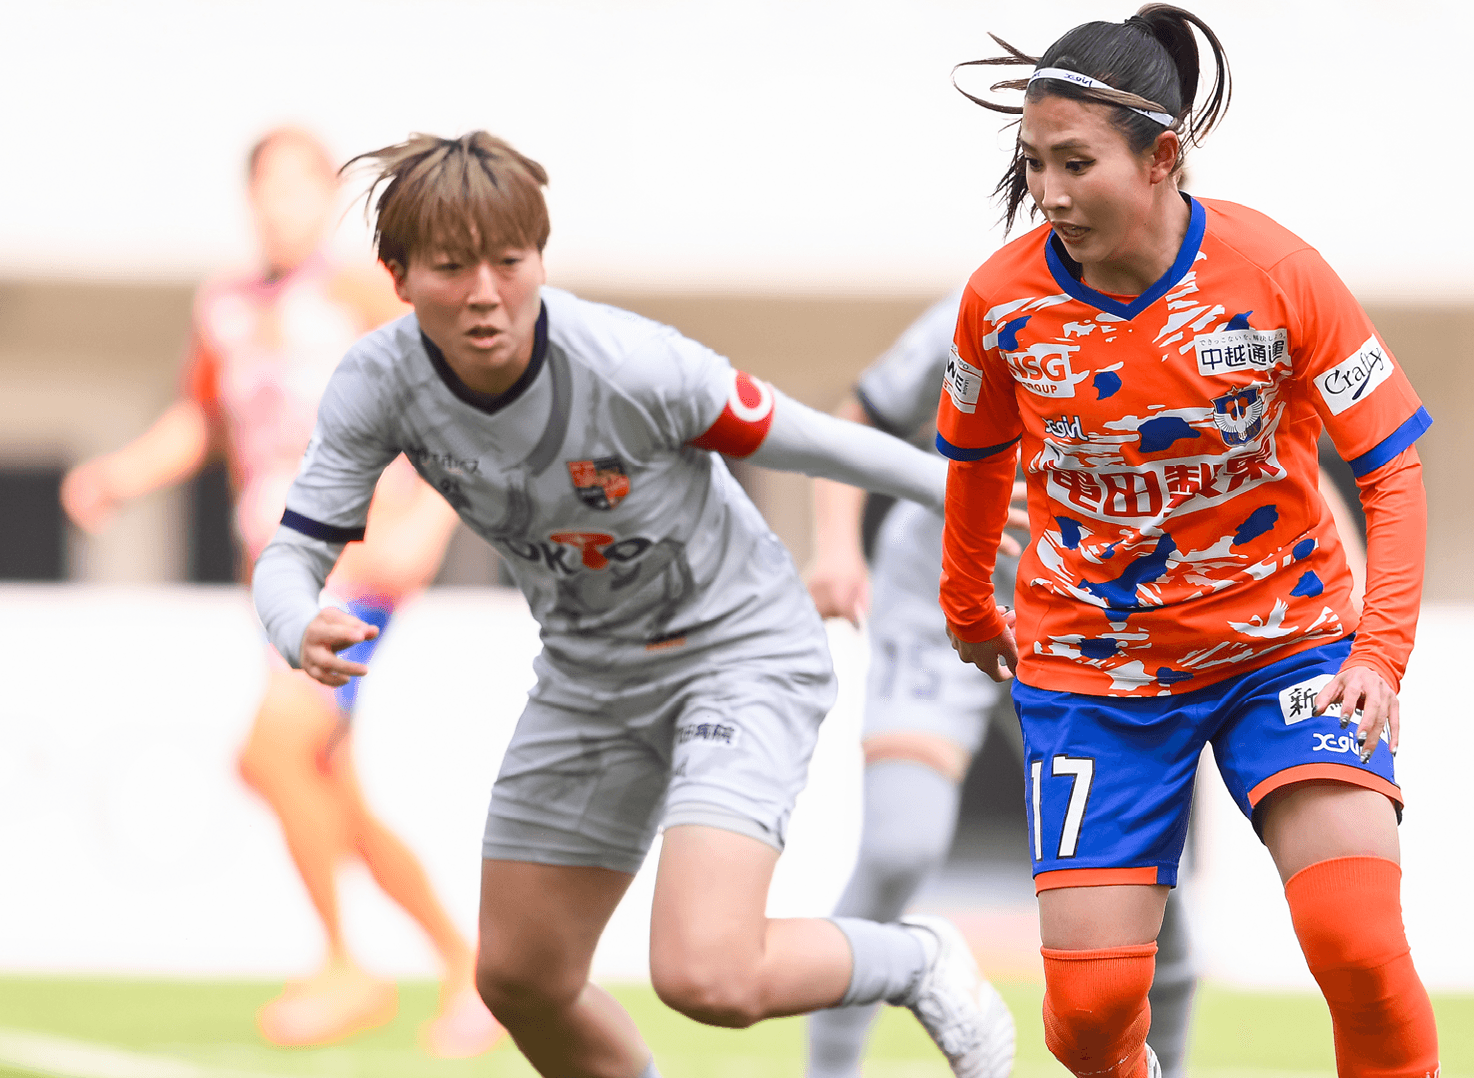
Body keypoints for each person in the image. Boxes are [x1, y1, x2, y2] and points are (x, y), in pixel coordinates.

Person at [250, 131, 1018, 1078]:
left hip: (740, 656)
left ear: (540, 259)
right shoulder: (377, 383)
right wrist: (295, 622)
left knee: (708, 974)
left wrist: (960, 489)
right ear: (399, 278)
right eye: (451, 268)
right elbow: (295, 553)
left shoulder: (628, 363)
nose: (485, 293)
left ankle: (915, 958)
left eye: (508, 262)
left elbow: (812, 438)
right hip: (588, 678)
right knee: (519, 979)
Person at [938, 6, 1439, 1078]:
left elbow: (1393, 471)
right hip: (1095, 674)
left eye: (1076, 163)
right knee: (1088, 1018)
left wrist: (1380, 653)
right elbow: (974, 462)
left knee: (1356, 941)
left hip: (1288, 651)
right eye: (1034, 163)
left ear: (1163, 157)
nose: (1049, 192)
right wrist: (966, 605)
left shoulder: (1279, 271)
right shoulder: (999, 304)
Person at [60, 127, 496, 1056]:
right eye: (267, 189)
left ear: (325, 202)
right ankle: (469, 970)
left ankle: (345, 967)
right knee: (326, 787)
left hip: (358, 567)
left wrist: (429, 521)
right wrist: (121, 476)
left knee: (269, 754)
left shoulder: (364, 292)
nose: (280, 207)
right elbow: (202, 418)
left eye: (298, 189)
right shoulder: (225, 305)